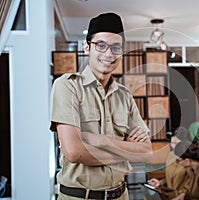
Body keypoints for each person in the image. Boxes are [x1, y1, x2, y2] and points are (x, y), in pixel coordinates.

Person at [50, 12, 153, 200]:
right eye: (101, 45)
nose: (108, 54)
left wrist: (104, 141)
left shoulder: (125, 96)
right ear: (87, 47)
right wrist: (126, 149)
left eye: (116, 47)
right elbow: (74, 152)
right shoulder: (67, 86)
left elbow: (146, 152)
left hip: (121, 195)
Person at [147, 127, 191, 200]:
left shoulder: (188, 160)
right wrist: (160, 182)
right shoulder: (171, 155)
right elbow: (170, 177)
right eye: (172, 143)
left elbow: (190, 186)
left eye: (177, 143)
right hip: (169, 195)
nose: (174, 146)